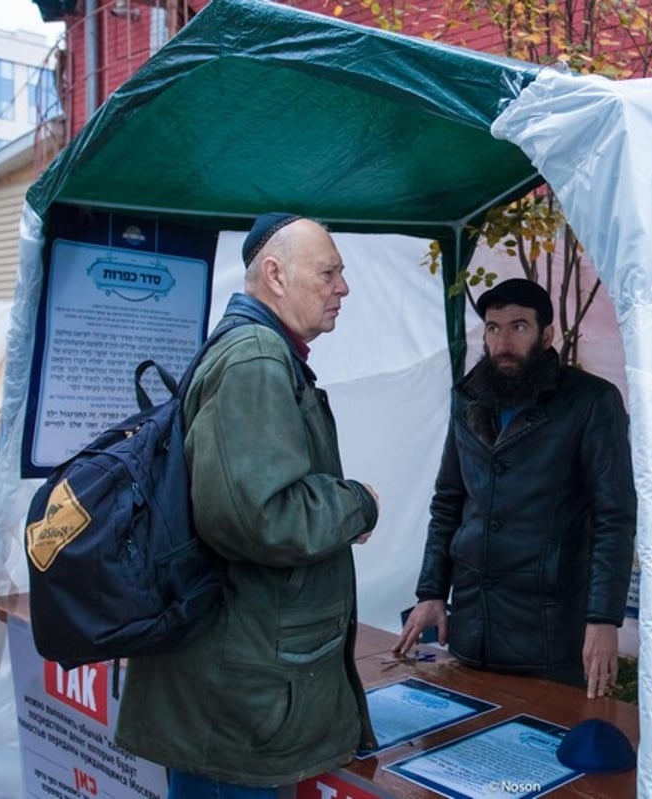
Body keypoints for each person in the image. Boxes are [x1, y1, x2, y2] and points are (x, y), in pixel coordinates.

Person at [116, 213, 380, 798]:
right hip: (236, 705)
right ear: (275, 274)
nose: (343, 287)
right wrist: (358, 503)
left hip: (236, 690)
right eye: (329, 272)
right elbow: (258, 517)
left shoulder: (257, 351)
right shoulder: (256, 358)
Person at [394, 278, 636, 699]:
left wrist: (603, 620)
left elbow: (613, 517)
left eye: (518, 327)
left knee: (546, 748)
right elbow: (449, 500)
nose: (503, 341)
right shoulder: (469, 400)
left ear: (547, 335)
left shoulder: (590, 402)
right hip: (472, 624)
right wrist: (432, 590)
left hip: (548, 631)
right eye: (493, 328)